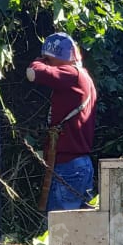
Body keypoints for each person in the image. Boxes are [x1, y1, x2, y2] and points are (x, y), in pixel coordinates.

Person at [27, 32, 97, 210]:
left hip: (69, 165)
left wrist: (39, 60)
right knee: (82, 227)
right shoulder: (82, 76)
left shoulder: (71, 74)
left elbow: (33, 73)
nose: (48, 63)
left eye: (49, 59)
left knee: (61, 229)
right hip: (78, 164)